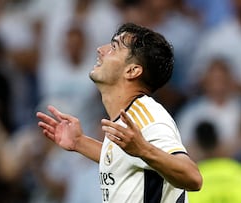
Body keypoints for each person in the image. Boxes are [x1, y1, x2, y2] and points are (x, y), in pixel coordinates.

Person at [36, 23, 202, 203]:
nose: (100, 50)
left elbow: (193, 178)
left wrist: (143, 149)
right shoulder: (127, 117)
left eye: (114, 47)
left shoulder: (149, 117)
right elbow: (126, 159)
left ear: (132, 71)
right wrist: (80, 142)